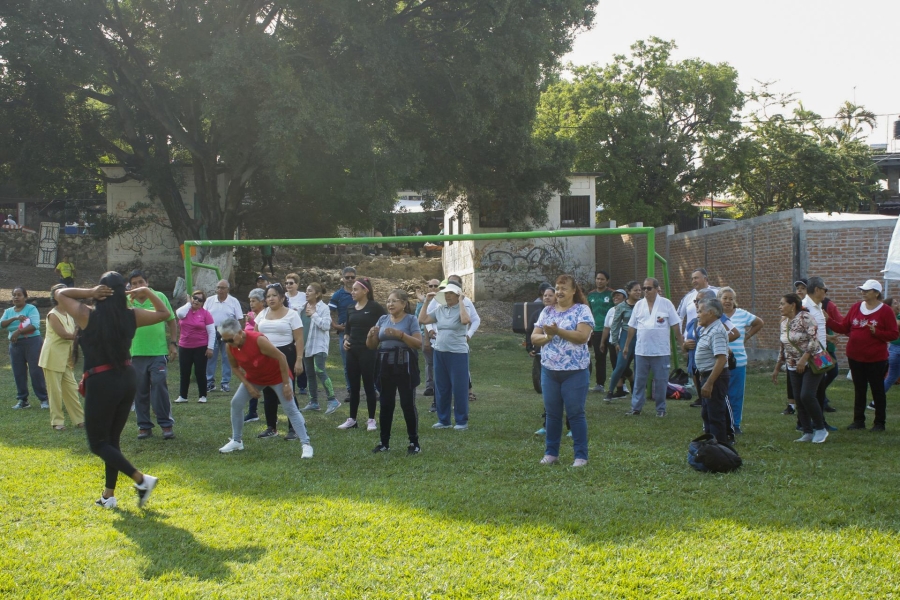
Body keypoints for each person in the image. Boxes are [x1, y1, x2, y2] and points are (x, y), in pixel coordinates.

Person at [55, 273, 170, 508]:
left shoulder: (87, 315)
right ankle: (109, 495)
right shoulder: (132, 315)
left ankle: (141, 479)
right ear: (123, 291)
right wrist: (146, 291)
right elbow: (164, 314)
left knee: (98, 444)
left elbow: (60, 293)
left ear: (102, 290)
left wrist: (90, 293)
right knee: (111, 441)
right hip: (127, 378)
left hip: (102, 380)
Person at [216, 319, 313, 458]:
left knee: (290, 408)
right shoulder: (230, 346)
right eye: (225, 340)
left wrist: (286, 384)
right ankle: (237, 441)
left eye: (230, 339)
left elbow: (281, 357)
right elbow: (235, 367)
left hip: (277, 376)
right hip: (255, 378)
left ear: (239, 332)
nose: (228, 343)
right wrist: (249, 386)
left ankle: (306, 444)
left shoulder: (257, 340)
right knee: (236, 403)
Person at [531, 275, 594, 467]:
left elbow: (582, 337)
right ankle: (551, 453)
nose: (559, 292)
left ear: (574, 291)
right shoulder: (547, 311)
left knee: (575, 413)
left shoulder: (582, 310)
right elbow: (535, 337)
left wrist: (557, 332)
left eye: (564, 288)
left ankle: (580, 456)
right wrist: (548, 337)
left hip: (575, 371)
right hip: (549, 370)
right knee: (552, 414)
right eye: (557, 288)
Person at [828, 280, 899, 431]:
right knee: (859, 389)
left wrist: (877, 332)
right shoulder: (856, 307)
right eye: (862, 290)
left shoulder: (885, 311)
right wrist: (828, 320)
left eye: (867, 290)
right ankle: (858, 421)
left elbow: (894, 334)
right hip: (855, 357)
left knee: (877, 390)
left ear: (876, 293)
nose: (863, 292)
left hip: (876, 359)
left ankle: (879, 423)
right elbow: (843, 327)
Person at [367, 289, 423, 454]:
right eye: (388, 301)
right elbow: (371, 345)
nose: (390, 304)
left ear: (404, 304)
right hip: (384, 366)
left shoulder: (411, 320)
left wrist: (400, 335)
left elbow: (418, 343)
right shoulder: (383, 319)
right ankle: (384, 443)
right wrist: (370, 336)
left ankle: (414, 443)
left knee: (407, 404)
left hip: (404, 365)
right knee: (385, 404)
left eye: (394, 301)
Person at [127, 270, 177, 440]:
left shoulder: (159, 297)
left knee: (159, 386)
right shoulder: (127, 301)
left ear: (147, 283)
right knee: (140, 390)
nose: (137, 286)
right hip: (136, 353)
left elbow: (171, 320)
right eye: (134, 283)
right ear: (130, 286)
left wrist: (173, 343)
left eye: (141, 282)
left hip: (158, 352)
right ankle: (144, 426)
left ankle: (166, 424)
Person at [773, 293, 829, 443]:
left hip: (812, 363)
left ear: (792, 305)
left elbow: (814, 340)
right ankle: (807, 431)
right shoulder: (784, 322)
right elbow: (783, 345)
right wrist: (778, 366)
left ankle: (820, 428)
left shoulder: (805, 317)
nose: (779, 307)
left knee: (807, 395)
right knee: (798, 399)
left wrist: (804, 359)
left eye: (782, 303)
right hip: (792, 365)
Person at [624, 278, 684, 417]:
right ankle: (636, 408)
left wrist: (681, 344)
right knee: (639, 381)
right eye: (644, 288)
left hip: (661, 350)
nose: (645, 291)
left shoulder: (666, 304)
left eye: (649, 288)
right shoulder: (639, 305)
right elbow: (632, 326)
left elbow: (675, 325)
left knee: (661, 382)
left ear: (657, 289)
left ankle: (660, 409)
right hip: (642, 350)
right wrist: (627, 345)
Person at [255, 283, 305, 440]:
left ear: (282, 297)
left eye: (274, 295)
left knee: (287, 390)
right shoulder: (262, 314)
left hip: (286, 355)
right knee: (268, 392)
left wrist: (298, 360)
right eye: (268, 296)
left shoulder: (292, 314)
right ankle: (271, 427)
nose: (270, 299)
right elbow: (255, 336)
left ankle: (295, 428)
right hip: (265, 357)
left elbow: (299, 338)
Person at [419, 282, 471, 430]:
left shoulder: (463, 308)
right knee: (441, 387)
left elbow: (465, 321)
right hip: (440, 352)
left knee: (459, 388)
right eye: (446, 294)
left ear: (457, 295)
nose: (447, 296)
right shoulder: (440, 309)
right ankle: (444, 420)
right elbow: (422, 320)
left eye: (451, 293)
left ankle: (461, 421)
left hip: (458, 353)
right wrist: (426, 301)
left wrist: (461, 301)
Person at [337, 277, 386, 431]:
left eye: (355, 289)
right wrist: (345, 339)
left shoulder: (375, 307)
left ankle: (371, 419)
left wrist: (378, 338)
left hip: (368, 351)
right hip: (352, 351)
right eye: (352, 289)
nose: (352, 292)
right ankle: (352, 419)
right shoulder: (351, 308)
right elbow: (348, 328)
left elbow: (386, 322)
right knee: (354, 386)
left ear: (366, 291)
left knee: (369, 385)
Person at [717, 287, 764, 434]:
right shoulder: (715, 315)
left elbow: (759, 322)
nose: (728, 301)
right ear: (719, 299)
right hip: (718, 360)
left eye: (731, 298)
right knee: (719, 394)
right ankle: (720, 423)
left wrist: (747, 336)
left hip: (737, 360)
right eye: (725, 298)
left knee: (735, 394)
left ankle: (735, 424)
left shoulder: (742, 314)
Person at [39, 283, 83, 430]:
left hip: (65, 358)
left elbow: (75, 330)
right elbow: (64, 335)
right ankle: (57, 422)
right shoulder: (53, 314)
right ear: (56, 297)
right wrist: (81, 337)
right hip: (52, 357)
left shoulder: (69, 315)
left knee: (71, 389)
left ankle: (79, 420)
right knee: (55, 392)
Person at [431, 274, 481, 402]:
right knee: (441, 379)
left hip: (457, 347)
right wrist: (431, 330)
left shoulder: (466, 302)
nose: (449, 293)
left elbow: (473, 320)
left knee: (459, 376)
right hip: (440, 345)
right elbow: (426, 318)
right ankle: (438, 405)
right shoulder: (440, 301)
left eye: (454, 285)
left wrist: (469, 334)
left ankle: (465, 397)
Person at [3, 287, 50, 409]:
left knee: (36, 371)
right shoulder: (8, 311)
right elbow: (1, 325)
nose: (16, 297)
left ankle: (44, 399)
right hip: (15, 345)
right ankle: (23, 400)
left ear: (25, 297)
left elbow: (35, 325)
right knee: (18, 372)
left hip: (32, 342)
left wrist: (18, 331)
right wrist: (15, 318)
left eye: (19, 295)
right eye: (14, 295)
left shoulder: (31, 309)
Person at [693, 298, 732, 444]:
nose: (698, 314)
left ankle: (719, 447)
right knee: (707, 413)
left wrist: (709, 383)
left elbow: (722, 359)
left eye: (700, 311)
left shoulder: (716, 331)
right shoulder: (707, 329)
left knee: (715, 415)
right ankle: (709, 445)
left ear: (710, 313)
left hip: (715, 377)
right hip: (707, 375)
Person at [299, 283, 341, 415]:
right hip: (306, 346)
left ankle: (332, 400)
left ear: (317, 294)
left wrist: (313, 315)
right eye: (306, 291)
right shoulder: (302, 308)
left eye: (309, 291)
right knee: (310, 373)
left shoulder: (323, 308)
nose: (306, 293)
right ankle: (314, 402)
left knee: (319, 370)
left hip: (319, 345)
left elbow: (326, 326)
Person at [526, 285, 558, 435]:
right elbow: (531, 334)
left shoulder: (565, 314)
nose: (547, 298)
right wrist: (531, 347)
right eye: (545, 295)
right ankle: (547, 426)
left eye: (550, 295)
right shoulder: (542, 313)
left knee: (568, 399)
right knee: (548, 396)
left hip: (565, 362)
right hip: (545, 358)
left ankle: (571, 426)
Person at [174, 289, 215, 404]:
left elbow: (211, 332)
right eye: (194, 298)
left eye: (200, 300)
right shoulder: (185, 311)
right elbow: (179, 314)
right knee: (184, 372)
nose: (196, 301)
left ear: (203, 303)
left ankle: (202, 395)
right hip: (184, 346)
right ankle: (183, 396)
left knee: (200, 372)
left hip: (200, 346)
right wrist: (188, 304)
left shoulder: (206, 314)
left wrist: (210, 348)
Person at [203, 279, 244, 393]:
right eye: (218, 287)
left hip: (229, 331)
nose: (220, 290)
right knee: (211, 357)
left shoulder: (233, 301)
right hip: (213, 331)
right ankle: (209, 382)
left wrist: (238, 334)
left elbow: (239, 318)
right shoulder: (210, 301)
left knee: (227, 358)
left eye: (222, 288)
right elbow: (204, 316)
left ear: (228, 290)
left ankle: (225, 383)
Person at [604, 281, 641, 402]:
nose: (638, 292)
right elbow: (615, 325)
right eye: (635, 290)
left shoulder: (642, 305)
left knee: (639, 366)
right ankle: (610, 391)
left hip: (640, 336)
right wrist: (615, 342)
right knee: (620, 365)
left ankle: (637, 392)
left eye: (639, 290)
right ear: (629, 292)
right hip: (626, 336)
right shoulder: (621, 307)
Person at [329, 266, 358, 401]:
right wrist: (335, 325)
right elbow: (329, 312)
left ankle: (373, 389)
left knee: (367, 363)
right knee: (348, 363)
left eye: (352, 277)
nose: (350, 279)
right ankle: (351, 390)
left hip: (361, 332)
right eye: (347, 277)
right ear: (343, 279)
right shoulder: (338, 295)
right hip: (344, 333)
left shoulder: (361, 292)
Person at [242, 288, 267, 422]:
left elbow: (260, 332)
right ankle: (252, 411)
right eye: (250, 301)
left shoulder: (265, 315)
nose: (251, 303)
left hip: (263, 353)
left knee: (269, 384)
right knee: (252, 380)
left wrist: (252, 321)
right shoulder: (251, 314)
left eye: (254, 301)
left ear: (262, 302)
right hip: (250, 353)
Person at [587, 270, 614, 393]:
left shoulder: (612, 294)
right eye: (598, 279)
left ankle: (621, 384)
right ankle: (600, 384)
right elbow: (588, 312)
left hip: (611, 330)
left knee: (615, 358)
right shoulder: (591, 295)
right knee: (599, 357)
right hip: (597, 331)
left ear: (607, 281)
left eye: (602, 279)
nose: (599, 281)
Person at [415, 279, 442, 399]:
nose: (433, 288)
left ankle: (439, 386)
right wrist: (425, 339)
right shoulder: (422, 303)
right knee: (429, 362)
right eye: (430, 286)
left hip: (438, 336)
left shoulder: (442, 301)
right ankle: (429, 386)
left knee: (439, 362)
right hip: (425, 335)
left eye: (436, 286)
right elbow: (419, 319)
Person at [598, 288, 627, 397]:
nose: (615, 297)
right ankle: (620, 390)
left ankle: (631, 384)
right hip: (612, 342)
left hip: (623, 341)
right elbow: (606, 328)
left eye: (618, 295)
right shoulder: (611, 311)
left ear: (624, 298)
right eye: (614, 296)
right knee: (616, 365)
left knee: (623, 365)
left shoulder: (628, 310)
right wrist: (602, 342)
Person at [284, 272, 309, 395]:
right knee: (289, 357)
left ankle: (302, 385)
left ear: (297, 284)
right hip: (287, 330)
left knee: (300, 357)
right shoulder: (283, 297)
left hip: (299, 329)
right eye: (287, 283)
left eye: (291, 283)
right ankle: (288, 382)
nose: (288, 285)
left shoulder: (303, 296)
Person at [883, 298, 900, 395]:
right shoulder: (890, 318)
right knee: (891, 377)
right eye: (895, 303)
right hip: (895, 349)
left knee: (891, 377)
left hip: (894, 349)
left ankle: (875, 402)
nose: (898, 304)